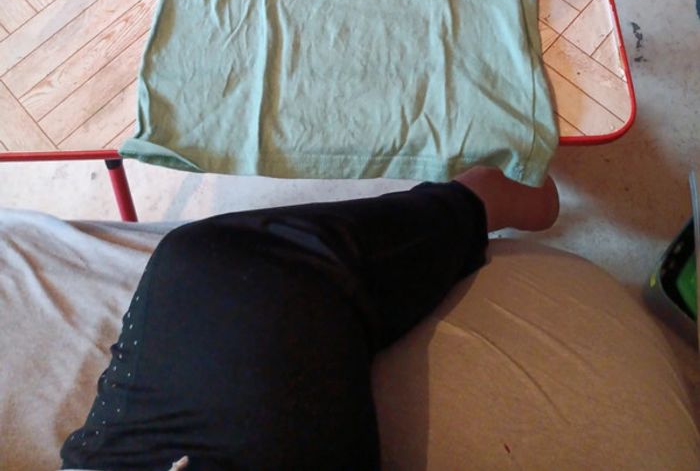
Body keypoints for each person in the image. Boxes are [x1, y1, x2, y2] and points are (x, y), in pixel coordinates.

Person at [60, 167, 559, 471]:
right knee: (234, 262)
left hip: (232, 282)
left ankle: (477, 201)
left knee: (227, 261)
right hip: (236, 279)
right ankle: (477, 200)